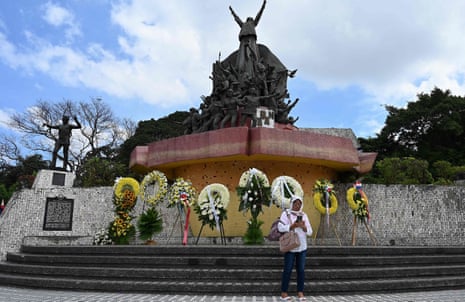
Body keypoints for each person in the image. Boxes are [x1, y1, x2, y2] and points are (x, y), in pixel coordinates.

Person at [278, 196, 313, 301]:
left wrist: (303, 227)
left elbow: (310, 232)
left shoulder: (304, 215)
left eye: (299, 203)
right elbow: (280, 227)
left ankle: (300, 293)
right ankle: (284, 293)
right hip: (290, 246)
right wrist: (291, 226)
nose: (297, 205)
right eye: (295, 203)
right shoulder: (286, 214)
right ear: (291, 203)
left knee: (301, 270)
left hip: (302, 247)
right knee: (287, 270)